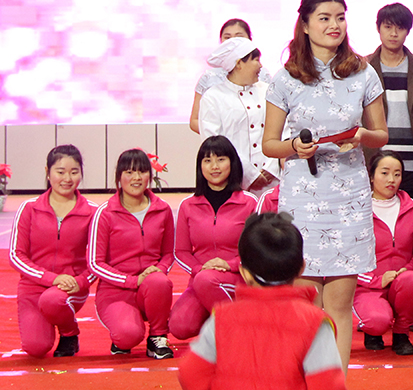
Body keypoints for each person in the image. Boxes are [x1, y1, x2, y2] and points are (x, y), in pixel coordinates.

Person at [262, 0, 389, 368]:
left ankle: (336, 382)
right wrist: (294, 148)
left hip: (349, 197)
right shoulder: (286, 78)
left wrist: (362, 136)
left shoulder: (362, 72)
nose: (335, 25)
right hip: (303, 197)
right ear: (304, 25)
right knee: (306, 304)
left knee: (339, 305)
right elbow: (270, 144)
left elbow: (381, 135)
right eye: (324, 18)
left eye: (340, 17)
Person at [178, 212, 346, 390]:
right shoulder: (315, 322)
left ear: (245, 272)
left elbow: (191, 374)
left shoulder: (220, 317)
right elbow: (328, 383)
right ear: (302, 268)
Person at [169, 136, 259, 340]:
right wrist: (200, 269)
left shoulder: (249, 203)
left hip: (239, 277)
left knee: (207, 280)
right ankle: (219, 317)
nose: (214, 166)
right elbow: (180, 252)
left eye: (221, 159)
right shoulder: (188, 205)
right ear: (200, 166)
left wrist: (230, 265)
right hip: (201, 279)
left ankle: (239, 330)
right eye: (207, 160)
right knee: (180, 326)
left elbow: (257, 250)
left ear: (232, 163)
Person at [10, 145, 96, 358]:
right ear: (48, 173)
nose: (67, 178)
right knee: (36, 347)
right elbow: (16, 255)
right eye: (60, 172)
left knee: (52, 301)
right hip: (32, 288)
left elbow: (99, 260)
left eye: (74, 172)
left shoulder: (92, 212)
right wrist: (51, 278)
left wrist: (81, 282)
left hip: (70, 289)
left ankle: (69, 333)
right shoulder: (29, 208)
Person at [88, 149, 176, 359]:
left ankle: (158, 336)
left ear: (150, 176)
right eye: (129, 172)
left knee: (159, 281)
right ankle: (123, 332)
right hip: (116, 291)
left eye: (142, 171)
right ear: (119, 177)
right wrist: (132, 281)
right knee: (127, 335)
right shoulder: (105, 213)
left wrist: (158, 270)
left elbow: (168, 253)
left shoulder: (163, 209)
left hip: (151, 288)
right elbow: (95, 263)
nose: (136, 177)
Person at [366, 3, 413, 206]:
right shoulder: (363, 67)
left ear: (408, 31)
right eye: (388, 27)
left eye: (400, 28)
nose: (393, 33)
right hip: (375, 165)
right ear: (378, 28)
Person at [354, 151, 413, 355]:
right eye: (384, 173)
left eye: (397, 174)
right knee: (377, 321)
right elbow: (347, 257)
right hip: (368, 286)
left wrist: (408, 269)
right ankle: (372, 330)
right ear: (371, 176)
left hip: (402, 282)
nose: (391, 180)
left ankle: (401, 333)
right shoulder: (357, 210)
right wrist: (376, 280)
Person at [199, 37, 279, 193]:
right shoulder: (213, 97)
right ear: (238, 63)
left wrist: (271, 168)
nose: (260, 66)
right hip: (234, 181)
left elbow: (283, 131)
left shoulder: (268, 91)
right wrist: (250, 175)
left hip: (273, 181)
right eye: (256, 60)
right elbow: (214, 142)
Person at [189, 18, 271, 134]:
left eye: (239, 37)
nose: (233, 41)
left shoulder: (263, 80)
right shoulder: (211, 89)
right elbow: (196, 120)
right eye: (227, 38)